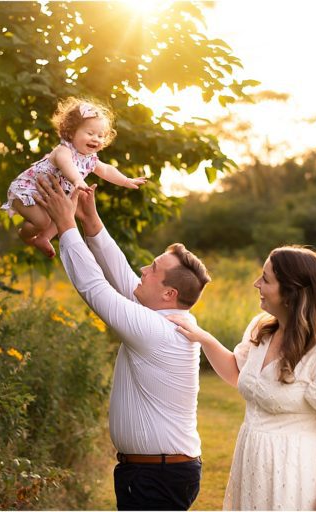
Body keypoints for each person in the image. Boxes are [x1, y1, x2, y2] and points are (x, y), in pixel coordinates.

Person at [33, 174, 209, 510]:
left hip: (157, 475)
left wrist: (67, 225)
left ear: (169, 293)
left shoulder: (157, 330)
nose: (143, 269)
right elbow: (121, 274)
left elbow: (95, 288)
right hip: (153, 470)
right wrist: (90, 221)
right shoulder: (163, 316)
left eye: (153, 268)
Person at [168, 246, 316, 510]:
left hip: (298, 478)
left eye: (266, 279)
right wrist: (203, 338)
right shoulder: (262, 330)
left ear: (291, 293)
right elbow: (238, 374)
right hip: (254, 469)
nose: (256, 283)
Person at [2, 98, 146, 257]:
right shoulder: (63, 150)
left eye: (100, 135)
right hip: (28, 190)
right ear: (71, 133)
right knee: (43, 222)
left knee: (67, 211)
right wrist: (77, 180)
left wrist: (125, 181)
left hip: (49, 195)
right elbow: (66, 165)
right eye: (90, 133)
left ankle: (44, 238)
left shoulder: (90, 159)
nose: (96, 138)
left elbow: (106, 170)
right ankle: (24, 234)